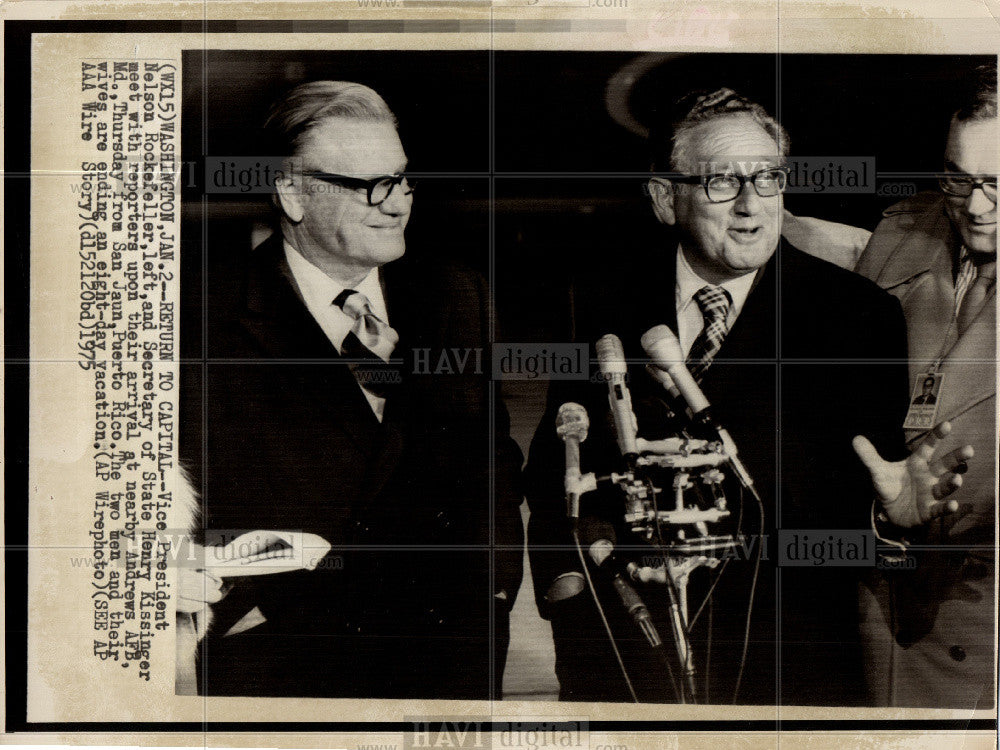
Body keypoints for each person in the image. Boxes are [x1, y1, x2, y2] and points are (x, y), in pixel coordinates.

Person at [524, 88, 968, 706]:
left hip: (785, 675)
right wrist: (569, 590)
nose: (749, 207)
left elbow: (861, 517)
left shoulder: (857, 317)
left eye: (766, 180)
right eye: (719, 184)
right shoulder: (598, 301)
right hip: (626, 661)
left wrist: (890, 521)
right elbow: (558, 462)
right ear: (664, 198)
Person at [184, 80, 523, 698]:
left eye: (402, 179)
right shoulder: (201, 317)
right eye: (369, 186)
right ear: (292, 192)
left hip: (451, 651)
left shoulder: (458, 295)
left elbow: (490, 458)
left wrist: (494, 592)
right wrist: (240, 615)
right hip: (285, 664)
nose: (397, 204)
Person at [855, 63, 996, 710]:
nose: (974, 206)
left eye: (997, 184)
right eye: (957, 178)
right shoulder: (898, 233)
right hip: (879, 618)